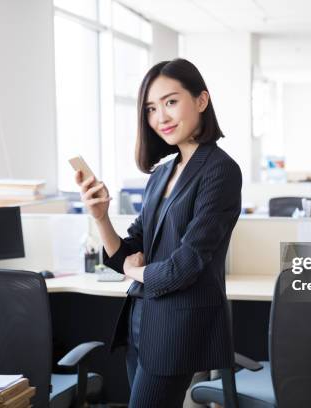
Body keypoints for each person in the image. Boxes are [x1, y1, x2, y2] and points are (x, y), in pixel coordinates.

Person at [75, 58, 242, 407]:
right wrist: (101, 218)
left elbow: (186, 263)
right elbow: (126, 252)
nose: (160, 117)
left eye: (170, 102)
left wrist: (133, 271)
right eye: (151, 108)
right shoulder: (162, 175)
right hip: (141, 321)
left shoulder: (220, 171)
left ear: (201, 100)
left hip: (175, 329)